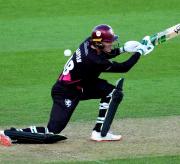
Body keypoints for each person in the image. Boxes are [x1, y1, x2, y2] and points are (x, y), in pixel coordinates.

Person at [0, 24, 154, 146]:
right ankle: (9, 133)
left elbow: (104, 53)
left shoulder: (89, 42)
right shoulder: (94, 61)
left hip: (82, 85)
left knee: (112, 93)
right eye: (109, 41)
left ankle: (100, 133)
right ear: (99, 44)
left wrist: (123, 49)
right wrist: (140, 52)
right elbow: (124, 68)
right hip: (65, 92)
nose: (112, 43)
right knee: (52, 131)